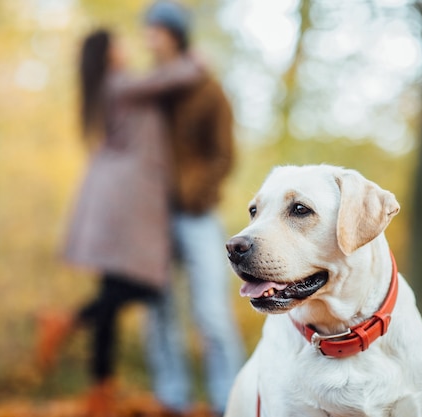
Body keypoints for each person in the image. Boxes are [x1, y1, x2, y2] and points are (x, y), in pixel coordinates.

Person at [36, 29, 203, 416]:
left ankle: (98, 389)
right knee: (145, 285)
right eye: (120, 44)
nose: (125, 49)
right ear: (108, 54)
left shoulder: (107, 87)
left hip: (116, 194)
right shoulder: (121, 83)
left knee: (115, 290)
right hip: (126, 197)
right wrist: (194, 61)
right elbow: (170, 78)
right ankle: (71, 327)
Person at [142, 2, 244, 416]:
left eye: (157, 31)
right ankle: (173, 397)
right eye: (147, 31)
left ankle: (228, 399)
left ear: (175, 35)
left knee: (211, 312)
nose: (149, 38)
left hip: (198, 215)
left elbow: (225, 154)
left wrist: (195, 194)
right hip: (151, 216)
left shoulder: (208, 88)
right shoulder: (149, 90)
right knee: (159, 312)